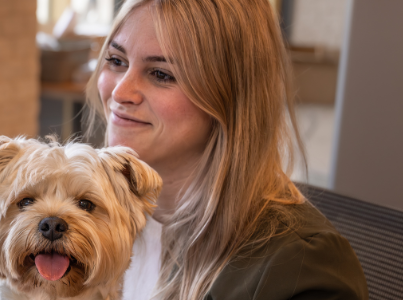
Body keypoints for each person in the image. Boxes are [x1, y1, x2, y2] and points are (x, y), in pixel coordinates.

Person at [84, 0, 368, 299]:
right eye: (116, 60)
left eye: (161, 74)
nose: (119, 92)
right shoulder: (101, 218)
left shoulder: (304, 266)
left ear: (230, 97)